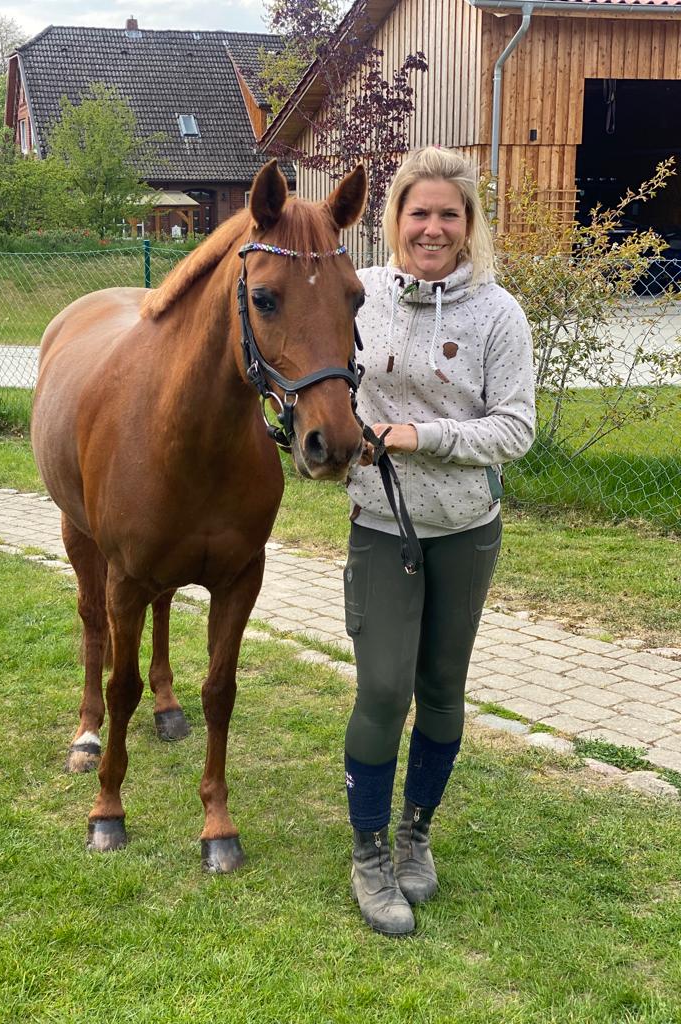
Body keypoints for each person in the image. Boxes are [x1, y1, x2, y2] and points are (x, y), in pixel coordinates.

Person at [343, 147, 536, 937]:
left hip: (464, 528)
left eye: (447, 215)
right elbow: (320, 383)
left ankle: (417, 834)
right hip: (381, 525)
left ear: (468, 225)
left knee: (444, 689)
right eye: (418, 212)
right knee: (385, 689)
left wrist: (417, 435)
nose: (432, 228)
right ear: (395, 219)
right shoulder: (359, 296)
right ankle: (369, 852)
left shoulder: (498, 313)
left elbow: (514, 427)